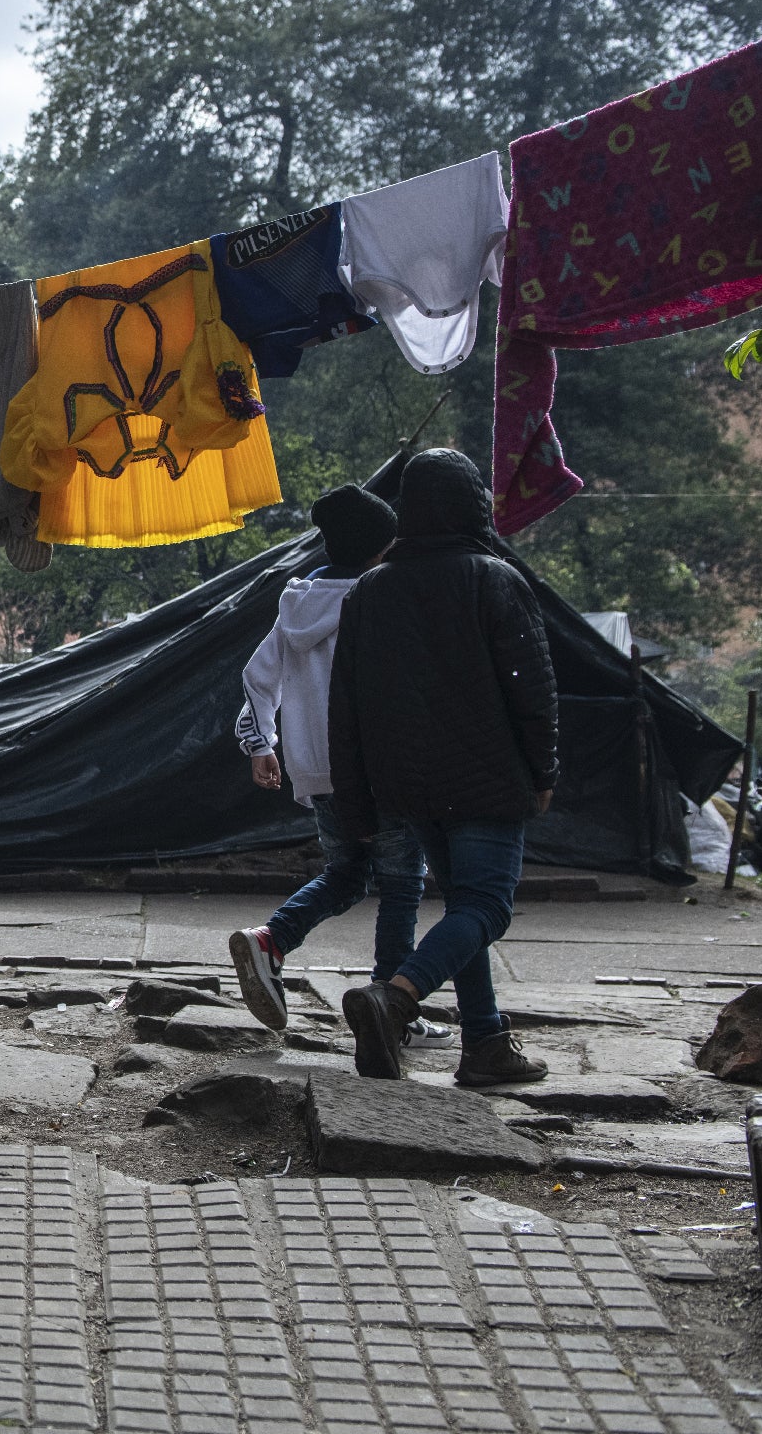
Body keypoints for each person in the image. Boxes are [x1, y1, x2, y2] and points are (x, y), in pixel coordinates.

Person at [329, 449, 555, 1086]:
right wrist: (544, 771)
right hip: (487, 778)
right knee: (487, 908)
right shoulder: (495, 578)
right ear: (471, 504)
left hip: (408, 784)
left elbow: (343, 707)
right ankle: (394, 997)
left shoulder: (371, 589)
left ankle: (485, 1044)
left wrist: (356, 806)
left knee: (463, 905)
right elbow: (532, 690)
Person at [227, 486, 455, 1051]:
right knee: (402, 885)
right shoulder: (386, 598)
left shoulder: (296, 605)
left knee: (348, 873)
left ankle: (271, 939)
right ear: (382, 547)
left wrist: (262, 744)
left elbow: (259, 678)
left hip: (317, 769)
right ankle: (391, 1008)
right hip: (379, 767)